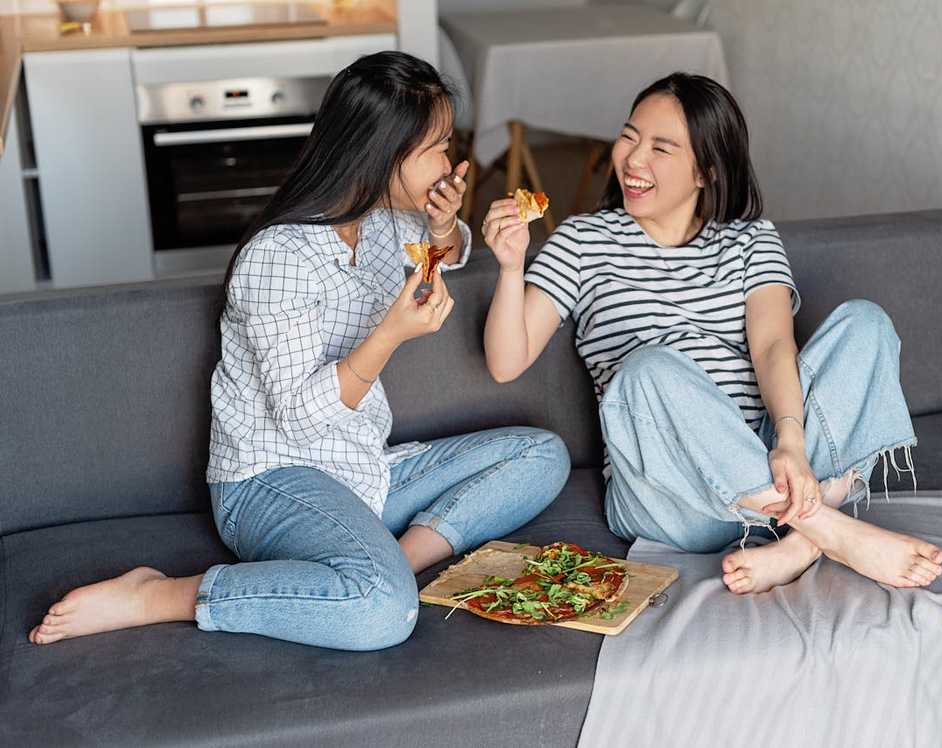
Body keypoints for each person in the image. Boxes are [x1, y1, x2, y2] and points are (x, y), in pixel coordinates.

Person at [28, 51, 570, 650]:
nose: (450, 164)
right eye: (437, 148)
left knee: (541, 454)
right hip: (271, 480)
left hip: (362, 469)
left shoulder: (389, 221)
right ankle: (161, 594)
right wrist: (389, 334)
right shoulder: (279, 257)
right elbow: (303, 417)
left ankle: (391, 557)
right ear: (383, 156)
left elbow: (455, 250)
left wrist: (444, 228)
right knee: (384, 612)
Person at [481, 73, 942, 595]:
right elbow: (505, 361)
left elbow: (773, 346)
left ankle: (795, 545)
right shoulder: (583, 240)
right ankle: (829, 532)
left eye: (661, 148)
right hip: (668, 498)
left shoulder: (751, 239)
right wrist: (510, 265)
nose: (634, 160)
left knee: (866, 322)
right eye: (630, 136)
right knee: (646, 371)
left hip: (768, 465)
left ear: (706, 171)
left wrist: (790, 442)